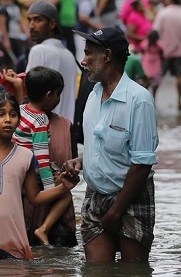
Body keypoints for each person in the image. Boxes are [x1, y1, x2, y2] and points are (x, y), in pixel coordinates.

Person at [0, 92, 79, 260]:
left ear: (19, 121)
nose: (8, 119)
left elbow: (35, 197)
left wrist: (64, 188)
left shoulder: (26, 156)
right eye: (0, 114)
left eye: (13, 115)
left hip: (14, 239)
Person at [69, 27, 158, 262]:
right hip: (95, 194)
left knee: (133, 271)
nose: (83, 60)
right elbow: (101, 147)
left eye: (88, 54)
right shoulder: (93, 95)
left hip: (131, 197)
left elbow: (141, 164)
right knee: (97, 271)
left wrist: (117, 211)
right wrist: (80, 161)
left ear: (107, 56)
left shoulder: (139, 99)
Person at [13, 66, 76, 246]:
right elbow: (41, 159)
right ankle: (44, 229)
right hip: (33, 174)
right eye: (58, 94)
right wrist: (50, 190)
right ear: (49, 95)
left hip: (18, 171)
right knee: (65, 194)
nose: (58, 98)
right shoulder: (41, 120)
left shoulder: (20, 110)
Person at [25, 0, 80, 123]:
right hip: (66, 131)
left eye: (38, 20)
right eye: (29, 20)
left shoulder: (39, 50)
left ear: (52, 24)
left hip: (42, 131)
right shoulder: (69, 55)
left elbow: (29, 97)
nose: (31, 26)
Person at [152, 0, 181, 110]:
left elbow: (155, 31)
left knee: (158, 76)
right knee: (179, 76)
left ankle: (152, 97)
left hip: (164, 51)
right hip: (179, 52)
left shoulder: (163, 13)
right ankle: (179, 101)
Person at [140, 30, 163, 98]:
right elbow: (162, 52)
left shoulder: (145, 44)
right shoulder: (158, 45)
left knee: (146, 80)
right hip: (156, 61)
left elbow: (142, 51)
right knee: (155, 81)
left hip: (147, 61)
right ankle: (153, 96)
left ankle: (146, 95)